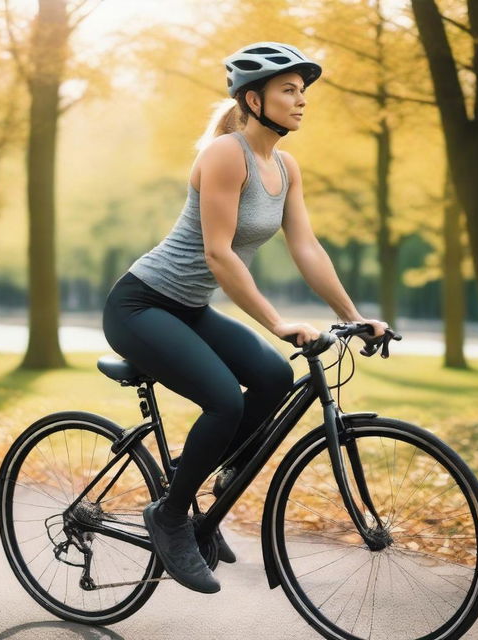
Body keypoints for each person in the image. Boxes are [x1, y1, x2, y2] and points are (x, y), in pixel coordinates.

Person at [102, 41, 388, 594]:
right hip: (140, 305)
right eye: (289, 90)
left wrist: (354, 315)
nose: (301, 101)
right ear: (253, 99)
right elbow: (218, 253)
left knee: (275, 378)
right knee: (225, 401)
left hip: (186, 309)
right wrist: (278, 322)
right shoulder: (225, 155)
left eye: (303, 92)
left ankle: (201, 472)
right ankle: (170, 517)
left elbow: (307, 248)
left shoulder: (285, 166)